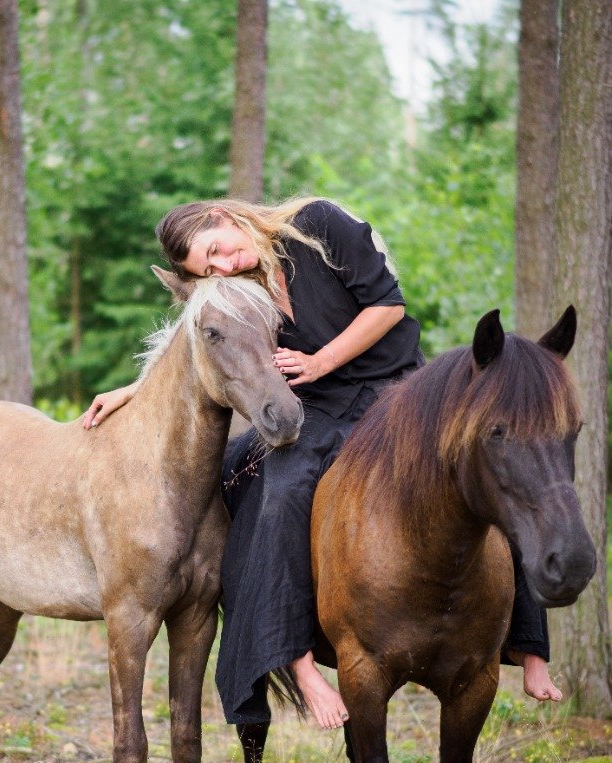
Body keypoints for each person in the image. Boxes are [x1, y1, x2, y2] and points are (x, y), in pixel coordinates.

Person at [83, 197, 561, 725]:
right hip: (320, 408)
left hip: (395, 389)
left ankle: (529, 647)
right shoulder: (241, 282)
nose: (223, 265)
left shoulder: (318, 224)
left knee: (482, 464)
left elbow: (389, 306)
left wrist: (321, 359)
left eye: (215, 250)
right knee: (278, 493)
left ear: (225, 216)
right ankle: (300, 663)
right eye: (208, 268)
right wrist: (134, 388)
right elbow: (203, 344)